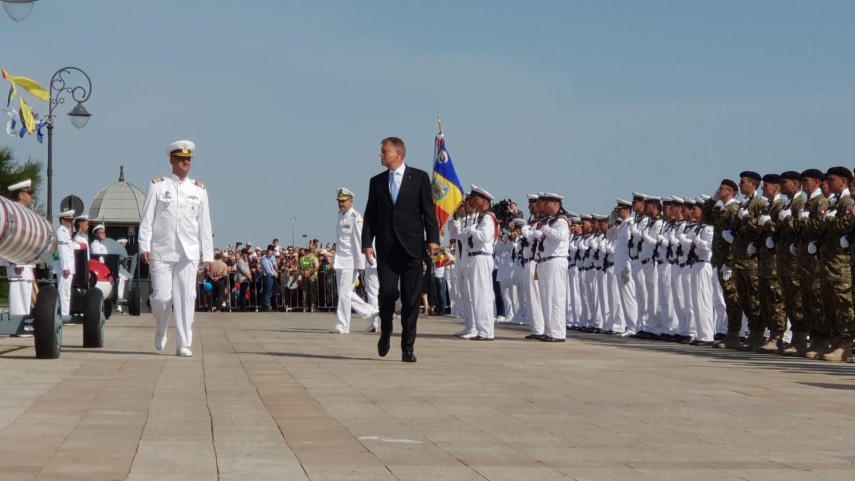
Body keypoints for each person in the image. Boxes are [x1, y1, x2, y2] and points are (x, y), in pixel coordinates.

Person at [362, 136, 439, 362]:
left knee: (411, 301)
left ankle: (408, 347)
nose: (381, 155)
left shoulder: (419, 178)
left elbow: (428, 212)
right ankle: (386, 330)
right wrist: (367, 243)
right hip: (386, 249)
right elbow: (370, 216)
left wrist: (432, 239)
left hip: (412, 249)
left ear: (398, 153)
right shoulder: (376, 182)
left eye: (384, 152)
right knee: (387, 294)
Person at [138, 140, 213, 357]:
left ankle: (184, 343)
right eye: (181, 159)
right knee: (162, 297)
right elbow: (147, 219)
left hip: (188, 251)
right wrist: (144, 245)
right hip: (162, 250)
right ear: (171, 160)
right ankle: (161, 329)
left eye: (188, 159)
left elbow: (205, 224)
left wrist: (207, 254)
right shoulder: (158, 185)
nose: (185, 162)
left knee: (186, 297)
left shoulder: (198, 190)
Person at [330, 187, 378, 334]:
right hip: (341, 260)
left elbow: (359, 242)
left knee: (344, 294)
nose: (341, 204)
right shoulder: (340, 216)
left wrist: (360, 263)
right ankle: (370, 311)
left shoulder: (355, 218)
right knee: (345, 292)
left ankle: (343, 325)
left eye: (343, 201)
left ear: (351, 201)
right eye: (339, 201)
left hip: (350, 261)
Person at [5, 179, 36, 336]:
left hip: (25, 260)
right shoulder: (15, 212)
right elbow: (14, 239)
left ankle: (23, 324)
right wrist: (17, 260)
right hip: (17, 260)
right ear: (22, 194)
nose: (32, 196)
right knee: (18, 293)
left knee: (25, 293)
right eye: (29, 193)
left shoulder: (23, 212)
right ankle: (18, 327)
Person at [53, 209, 76, 319]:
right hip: (64, 268)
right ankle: (62, 316)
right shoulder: (61, 232)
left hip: (68, 267)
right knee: (63, 293)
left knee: (66, 293)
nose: (71, 223)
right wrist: (65, 267)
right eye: (69, 220)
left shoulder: (66, 232)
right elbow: (61, 250)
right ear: (62, 221)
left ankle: (65, 314)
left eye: (72, 220)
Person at [260, 244, 278, 311]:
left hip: (271, 277)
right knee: (267, 292)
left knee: (270, 292)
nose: (272, 252)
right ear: (268, 250)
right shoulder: (264, 259)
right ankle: (266, 306)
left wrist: (275, 273)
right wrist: (274, 273)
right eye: (271, 251)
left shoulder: (271, 258)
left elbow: (273, 268)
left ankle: (268, 305)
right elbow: (268, 270)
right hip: (267, 277)